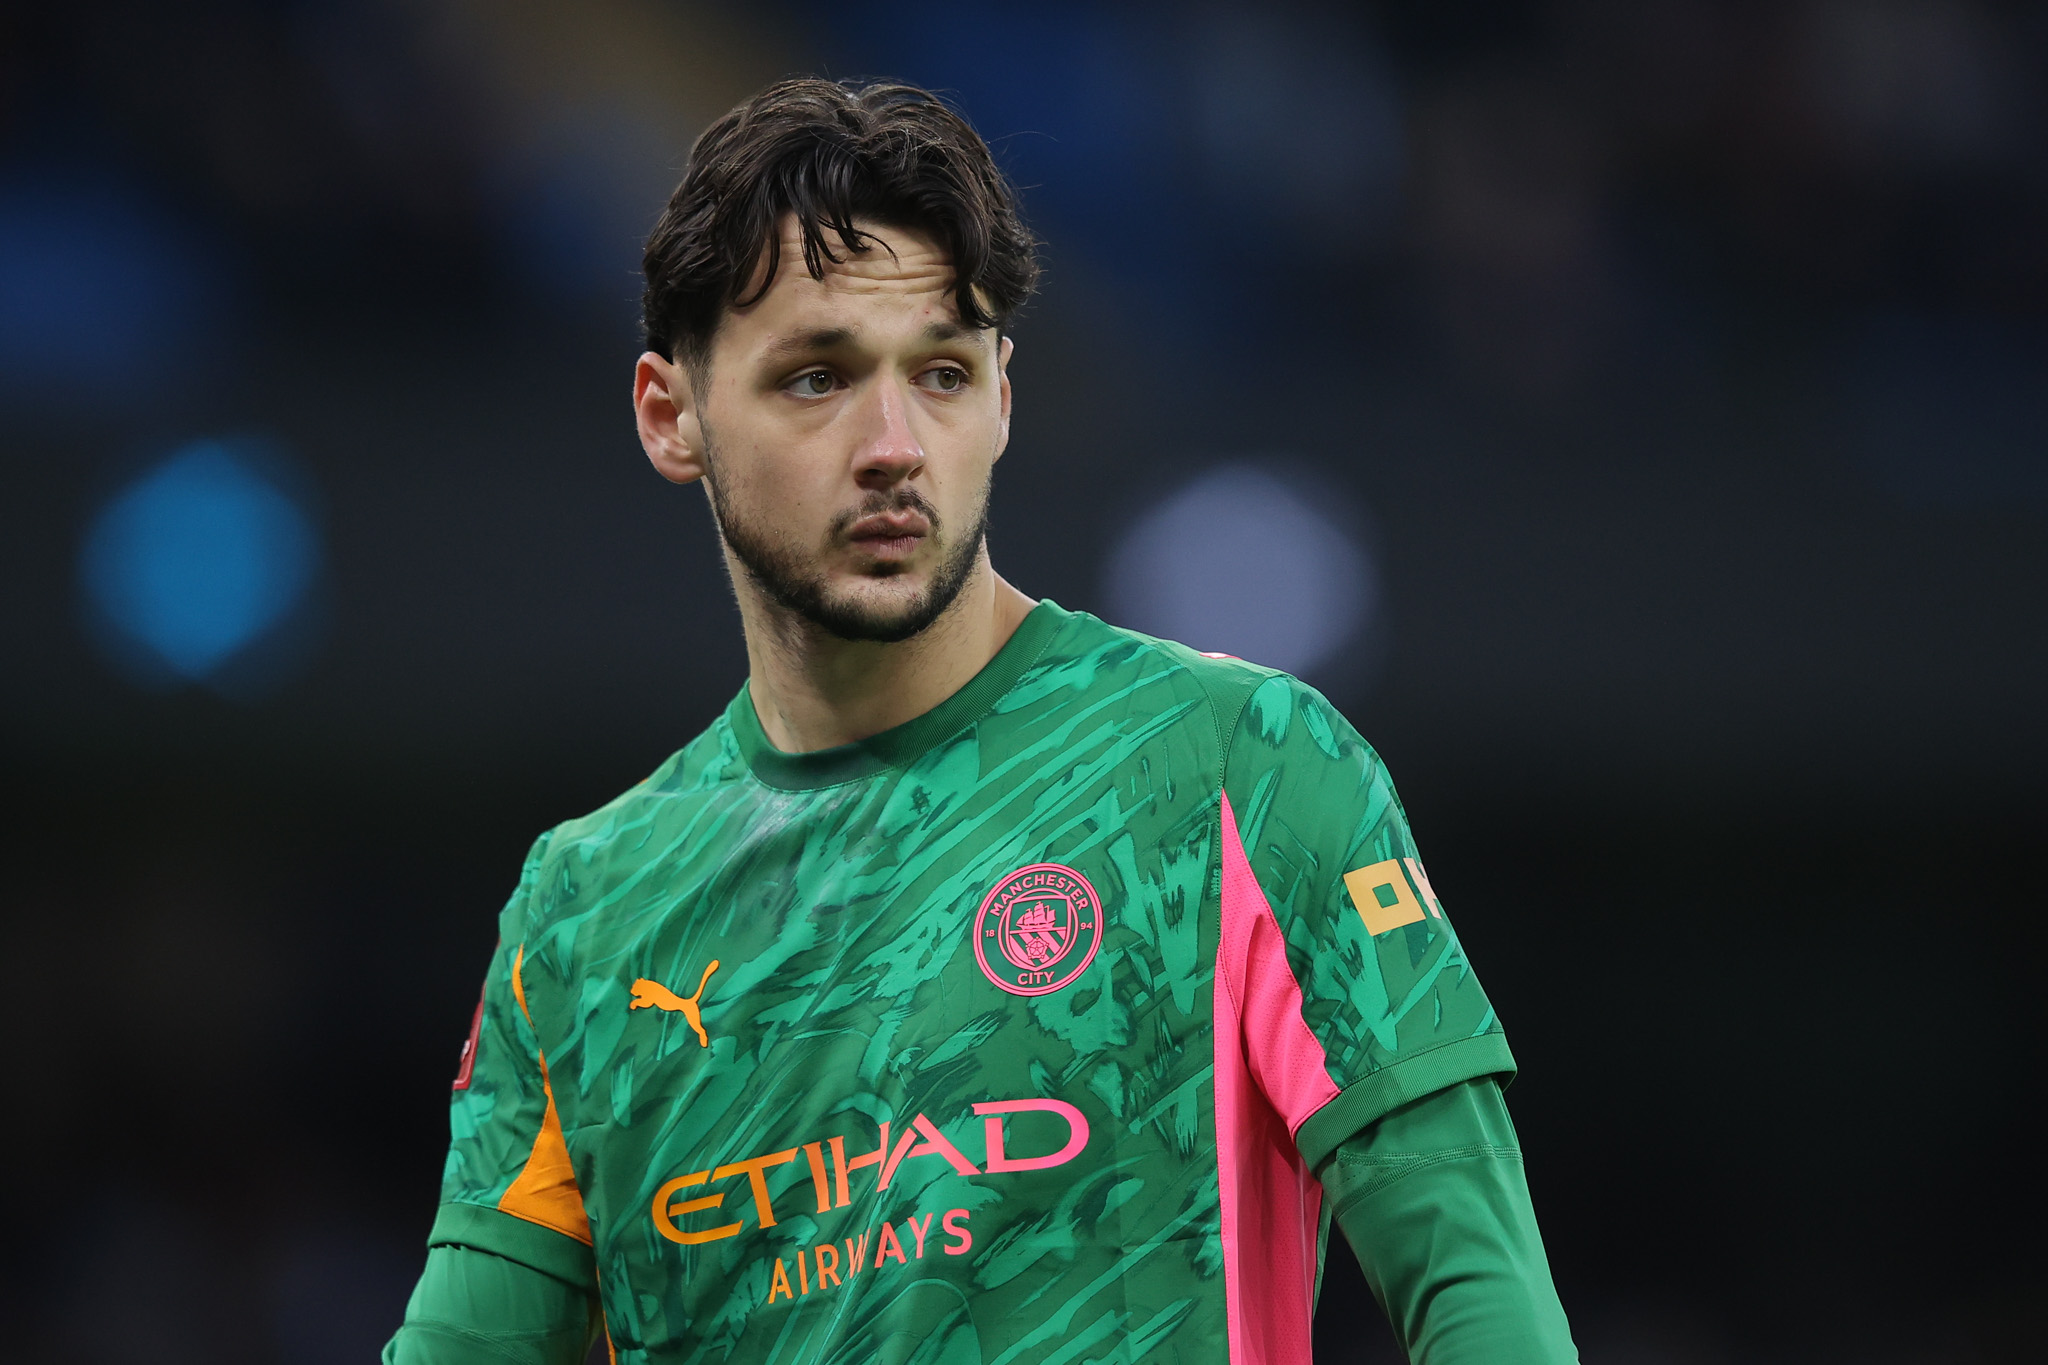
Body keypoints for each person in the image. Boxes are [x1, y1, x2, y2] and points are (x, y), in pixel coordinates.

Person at [384, 77, 1578, 1365]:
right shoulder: (583, 914)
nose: (894, 442)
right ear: (673, 417)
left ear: (1004, 396)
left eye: (941, 373)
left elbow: (1480, 1288)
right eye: (817, 378)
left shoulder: (1242, 763)